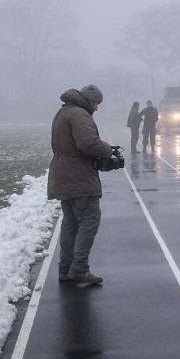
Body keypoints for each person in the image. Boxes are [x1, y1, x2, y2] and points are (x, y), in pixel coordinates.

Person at [48, 84, 113, 284]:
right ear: (89, 100)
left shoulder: (63, 112)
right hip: (78, 175)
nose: (97, 108)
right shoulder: (80, 115)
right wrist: (108, 150)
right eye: (96, 103)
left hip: (63, 173)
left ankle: (65, 268)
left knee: (70, 223)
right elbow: (87, 143)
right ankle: (79, 268)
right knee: (90, 218)